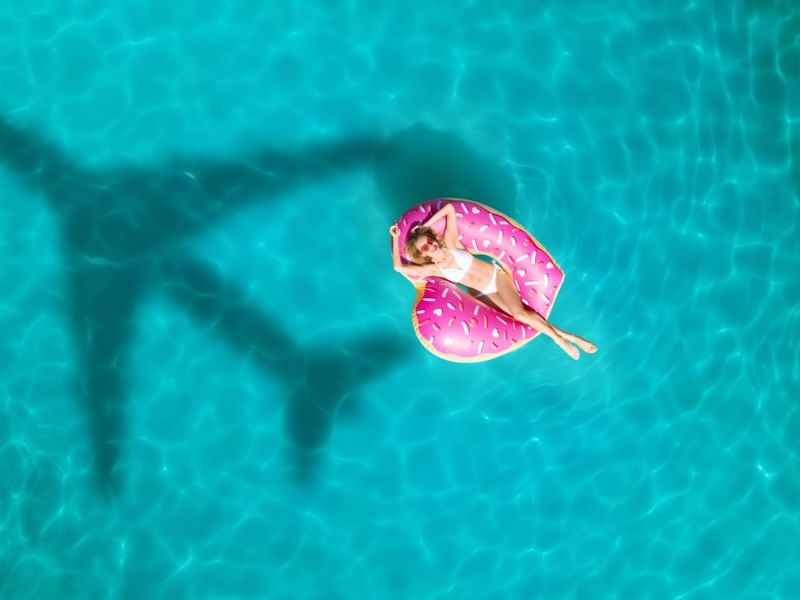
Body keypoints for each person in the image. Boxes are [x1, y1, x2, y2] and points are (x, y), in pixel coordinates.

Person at [390, 203, 597, 360]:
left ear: (433, 238)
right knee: (521, 318)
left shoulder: (451, 242)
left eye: (430, 241)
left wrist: (424, 226)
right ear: (422, 254)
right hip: (483, 293)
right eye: (425, 248)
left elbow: (450, 209)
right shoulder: (435, 268)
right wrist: (394, 237)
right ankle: (571, 337)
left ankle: (562, 341)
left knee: (519, 313)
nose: (430, 246)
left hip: (496, 279)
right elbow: (399, 268)